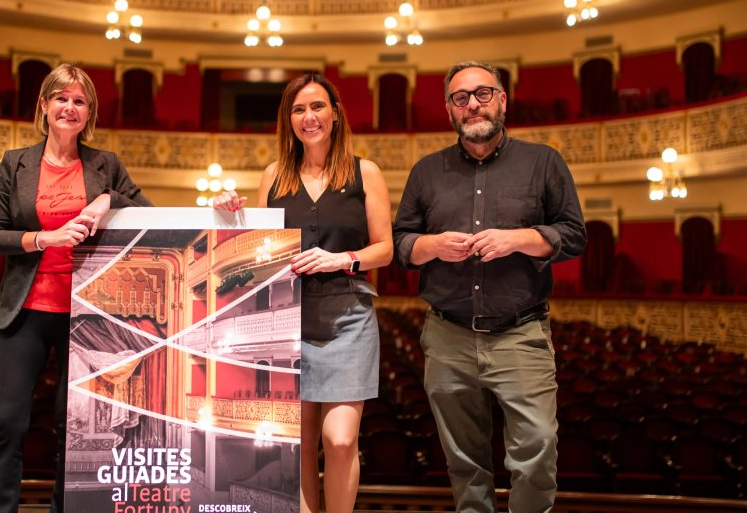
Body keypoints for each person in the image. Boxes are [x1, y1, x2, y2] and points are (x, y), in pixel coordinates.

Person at [391, 61, 586, 513]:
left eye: (483, 93)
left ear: (502, 100)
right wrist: (432, 245)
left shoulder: (543, 162)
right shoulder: (426, 171)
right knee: (464, 462)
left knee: (537, 447)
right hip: (448, 335)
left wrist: (519, 239)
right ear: (449, 110)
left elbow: (574, 235)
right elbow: (401, 245)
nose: (473, 104)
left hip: (520, 333)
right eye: (461, 98)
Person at [213, 73, 392, 513]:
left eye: (317, 107)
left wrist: (341, 258)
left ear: (335, 113)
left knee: (342, 440)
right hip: (288, 316)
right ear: (287, 119)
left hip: (347, 313)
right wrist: (230, 216)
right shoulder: (274, 175)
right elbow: (258, 252)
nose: (308, 117)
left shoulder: (364, 172)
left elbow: (385, 250)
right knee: (298, 446)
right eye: (298, 109)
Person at [0, 63, 152, 513]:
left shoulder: (104, 165)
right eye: (61, 98)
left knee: (73, 431)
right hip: (26, 311)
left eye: (79, 101)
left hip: (87, 315)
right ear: (44, 105)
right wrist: (43, 239)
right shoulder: (15, 163)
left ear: (88, 112)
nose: (69, 108)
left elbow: (147, 211)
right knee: (5, 424)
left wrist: (108, 198)